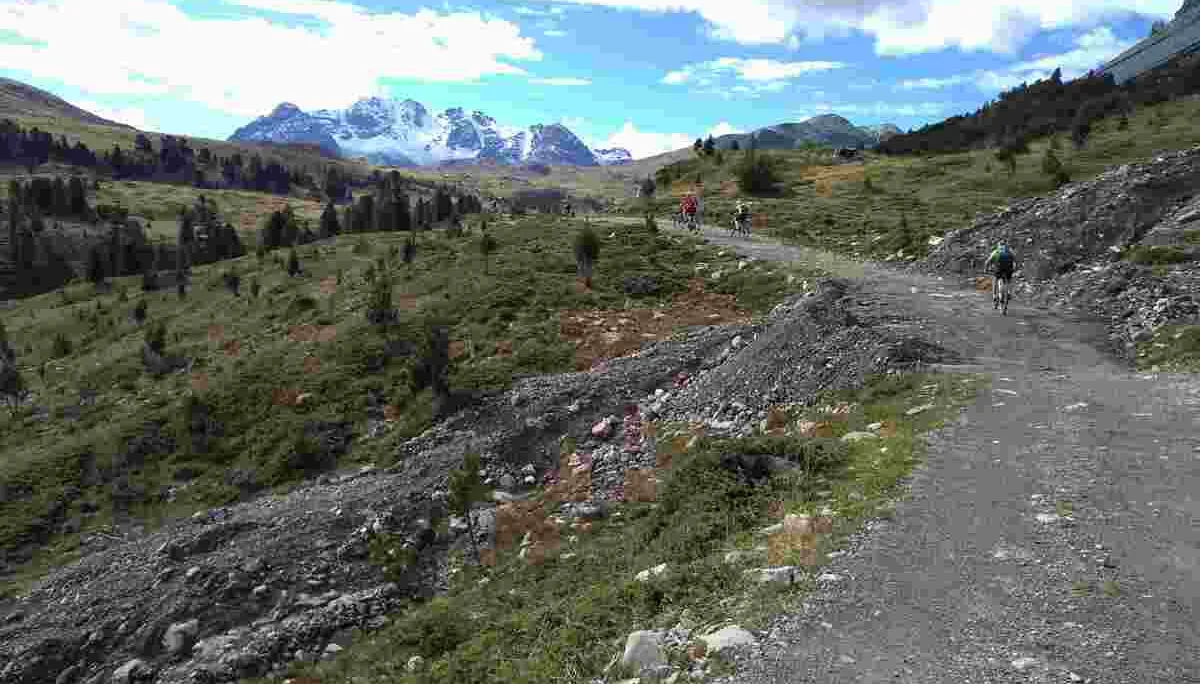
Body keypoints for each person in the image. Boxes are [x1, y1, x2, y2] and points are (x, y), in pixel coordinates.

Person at [985, 240, 1016, 308]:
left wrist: (986, 269)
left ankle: (994, 295)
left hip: (999, 269)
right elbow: (1015, 260)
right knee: (1009, 280)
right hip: (1008, 269)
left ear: (998, 245)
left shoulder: (996, 251)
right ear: (1006, 245)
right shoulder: (1009, 251)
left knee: (995, 279)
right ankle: (1009, 292)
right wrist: (1014, 268)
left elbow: (988, 261)